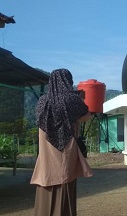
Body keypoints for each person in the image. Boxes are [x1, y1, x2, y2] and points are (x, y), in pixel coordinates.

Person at [30, 69, 93, 216]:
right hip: (65, 150)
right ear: (68, 81)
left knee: (47, 179)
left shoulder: (42, 101)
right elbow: (87, 116)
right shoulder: (71, 100)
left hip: (47, 152)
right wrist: (80, 99)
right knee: (65, 180)